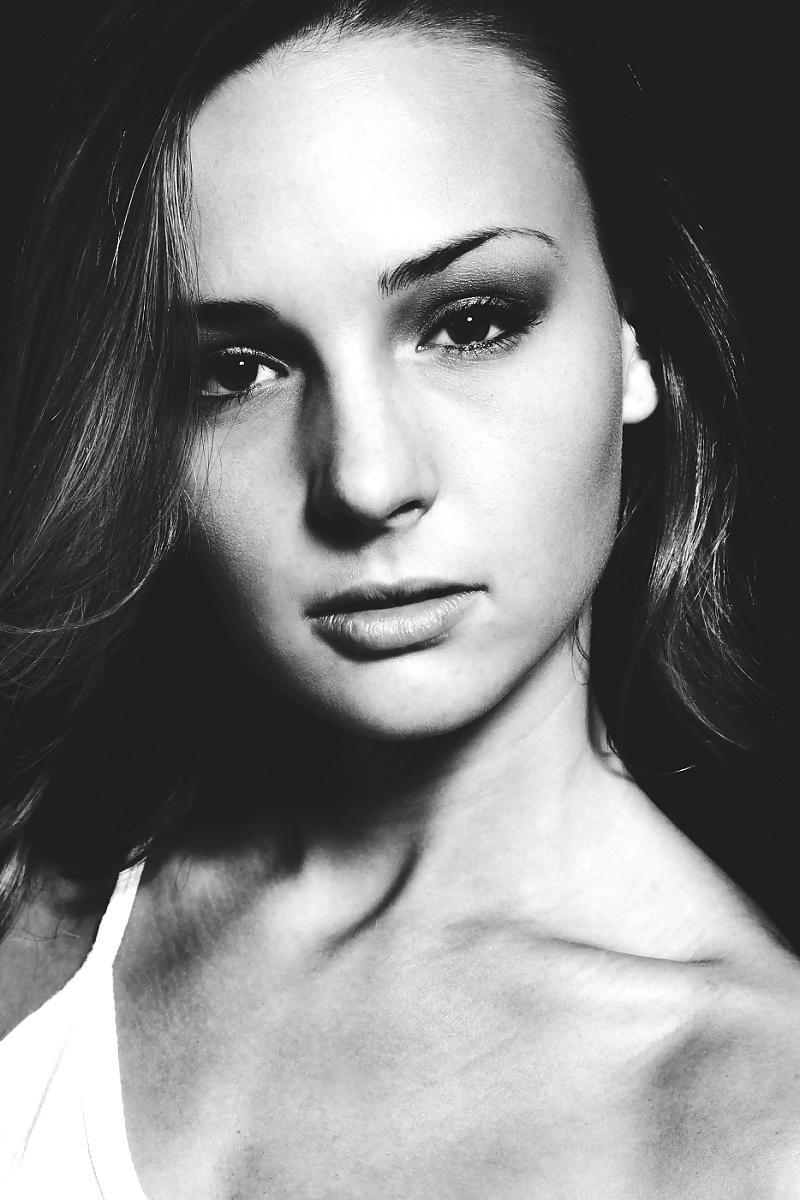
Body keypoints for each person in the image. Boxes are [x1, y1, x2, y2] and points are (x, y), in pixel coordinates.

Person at [0, 0, 798, 1195]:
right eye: (234, 370)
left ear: (635, 342)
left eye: (469, 324)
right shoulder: (34, 886)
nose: (366, 482)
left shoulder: (755, 1119)